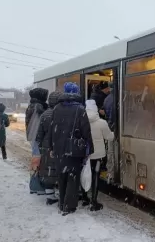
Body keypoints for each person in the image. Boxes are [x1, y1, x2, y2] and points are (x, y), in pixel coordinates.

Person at [48, 82, 93, 215]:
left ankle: (62, 203)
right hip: (73, 149)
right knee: (73, 178)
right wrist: (89, 149)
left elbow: (52, 130)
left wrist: (51, 147)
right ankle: (69, 206)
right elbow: (86, 131)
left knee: (62, 176)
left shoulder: (56, 108)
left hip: (59, 149)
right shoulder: (80, 109)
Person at [85, 99, 114, 211]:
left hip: (85, 154)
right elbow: (109, 137)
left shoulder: (81, 121)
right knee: (95, 175)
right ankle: (94, 201)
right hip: (98, 155)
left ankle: (84, 198)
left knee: (85, 173)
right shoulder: (102, 123)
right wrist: (114, 133)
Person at [36, 91, 61, 205]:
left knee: (48, 171)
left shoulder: (45, 115)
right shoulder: (61, 113)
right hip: (58, 146)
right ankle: (61, 193)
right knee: (59, 170)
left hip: (46, 148)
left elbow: (39, 134)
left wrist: (40, 146)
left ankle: (50, 196)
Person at [25, 88, 48, 176]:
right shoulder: (38, 106)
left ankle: (35, 173)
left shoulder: (32, 105)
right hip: (37, 135)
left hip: (34, 135)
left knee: (36, 154)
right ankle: (35, 175)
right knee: (37, 155)